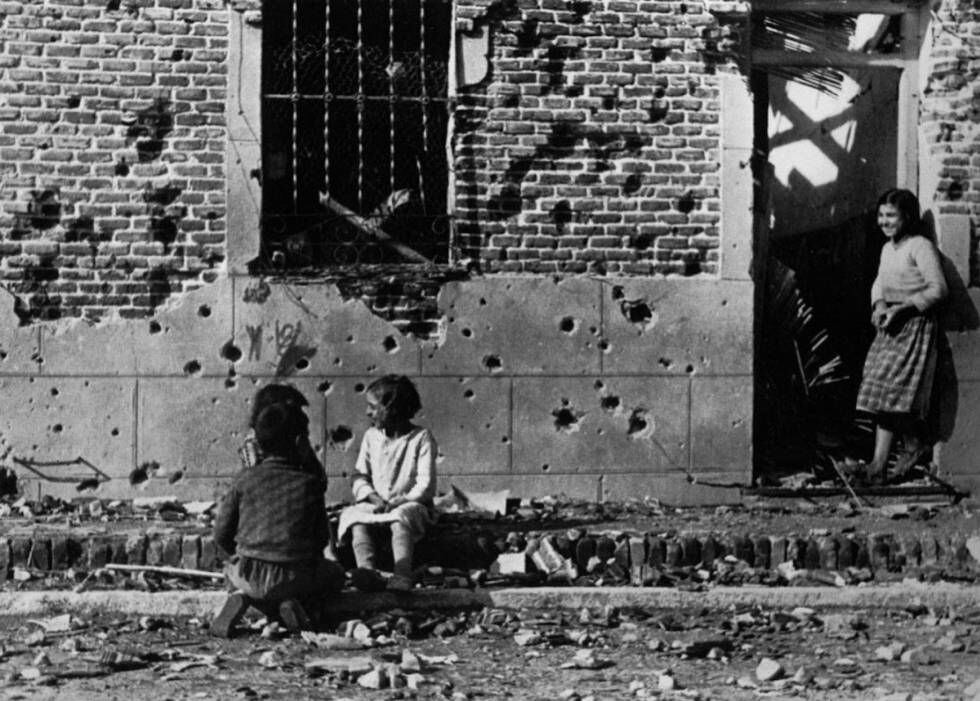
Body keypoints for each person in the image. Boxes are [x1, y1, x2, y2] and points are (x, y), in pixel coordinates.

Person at [211, 396, 343, 637]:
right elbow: (320, 540)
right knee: (335, 575)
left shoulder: (244, 479)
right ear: (300, 442)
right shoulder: (310, 484)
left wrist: (236, 558)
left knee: (230, 569)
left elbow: (221, 534)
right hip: (295, 577)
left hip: (247, 574)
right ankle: (291, 604)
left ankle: (242, 596)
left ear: (258, 444)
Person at [854, 188, 948, 483]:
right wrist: (880, 305)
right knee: (880, 388)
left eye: (891, 215)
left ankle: (909, 446)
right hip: (890, 323)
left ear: (907, 216)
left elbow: (938, 289)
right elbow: (879, 283)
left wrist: (904, 309)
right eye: (881, 216)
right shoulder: (887, 249)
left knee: (893, 391)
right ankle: (878, 466)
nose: (885, 221)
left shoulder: (919, 246)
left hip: (914, 324)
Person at [337, 375, 436, 592]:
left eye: (373, 407)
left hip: (410, 504)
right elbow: (359, 475)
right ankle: (367, 571)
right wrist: (373, 497)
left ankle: (402, 574)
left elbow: (425, 483)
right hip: (377, 502)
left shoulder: (421, 438)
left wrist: (402, 500)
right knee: (353, 516)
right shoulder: (371, 436)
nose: (368, 413)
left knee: (401, 518)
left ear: (393, 409)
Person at [238, 384, 324, 484]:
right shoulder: (254, 445)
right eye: (295, 411)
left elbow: (320, 479)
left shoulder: (295, 439)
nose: (300, 415)